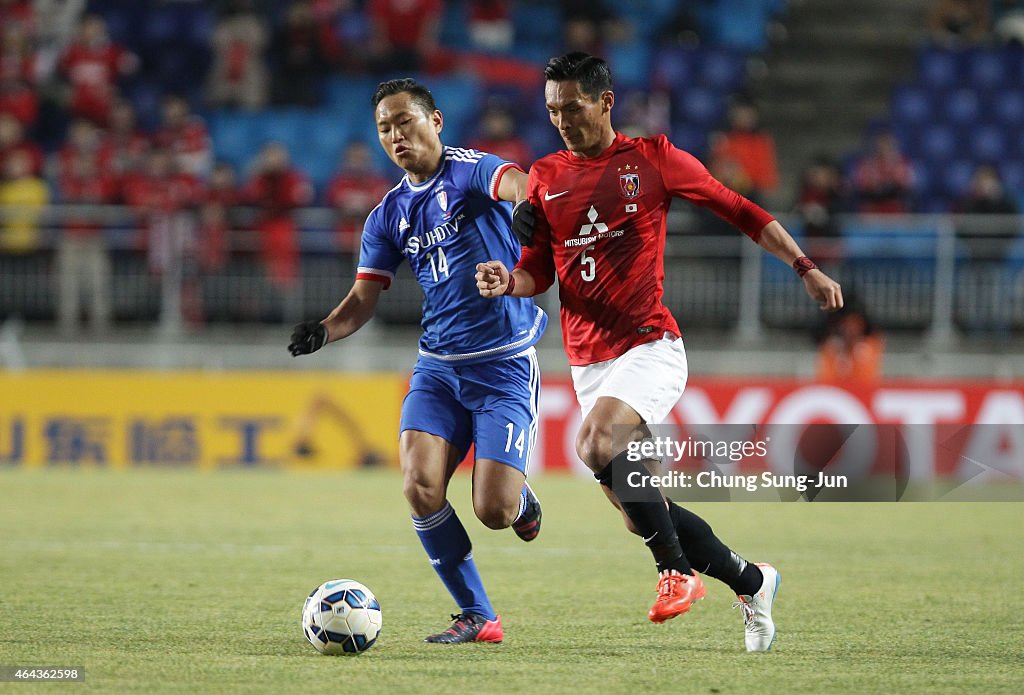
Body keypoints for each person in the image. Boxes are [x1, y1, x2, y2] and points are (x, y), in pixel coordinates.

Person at [476, 52, 843, 651]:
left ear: (604, 102)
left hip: (650, 345)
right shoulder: (544, 177)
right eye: (551, 110)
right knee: (641, 510)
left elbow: (741, 210)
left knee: (593, 441)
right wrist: (506, 280)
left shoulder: (653, 159)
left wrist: (804, 266)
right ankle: (753, 581)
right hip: (588, 362)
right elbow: (537, 271)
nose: (562, 119)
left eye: (571, 106)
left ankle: (675, 576)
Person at [288, 78, 546, 645]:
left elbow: (514, 179)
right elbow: (362, 301)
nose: (396, 135)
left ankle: (521, 500)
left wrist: (526, 206)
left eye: (406, 121)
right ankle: (478, 615)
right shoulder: (386, 216)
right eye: (384, 127)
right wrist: (323, 332)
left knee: (495, 511)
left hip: (504, 363)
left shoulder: (469, 170)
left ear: (436, 121)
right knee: (418, 485)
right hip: (437, 368)